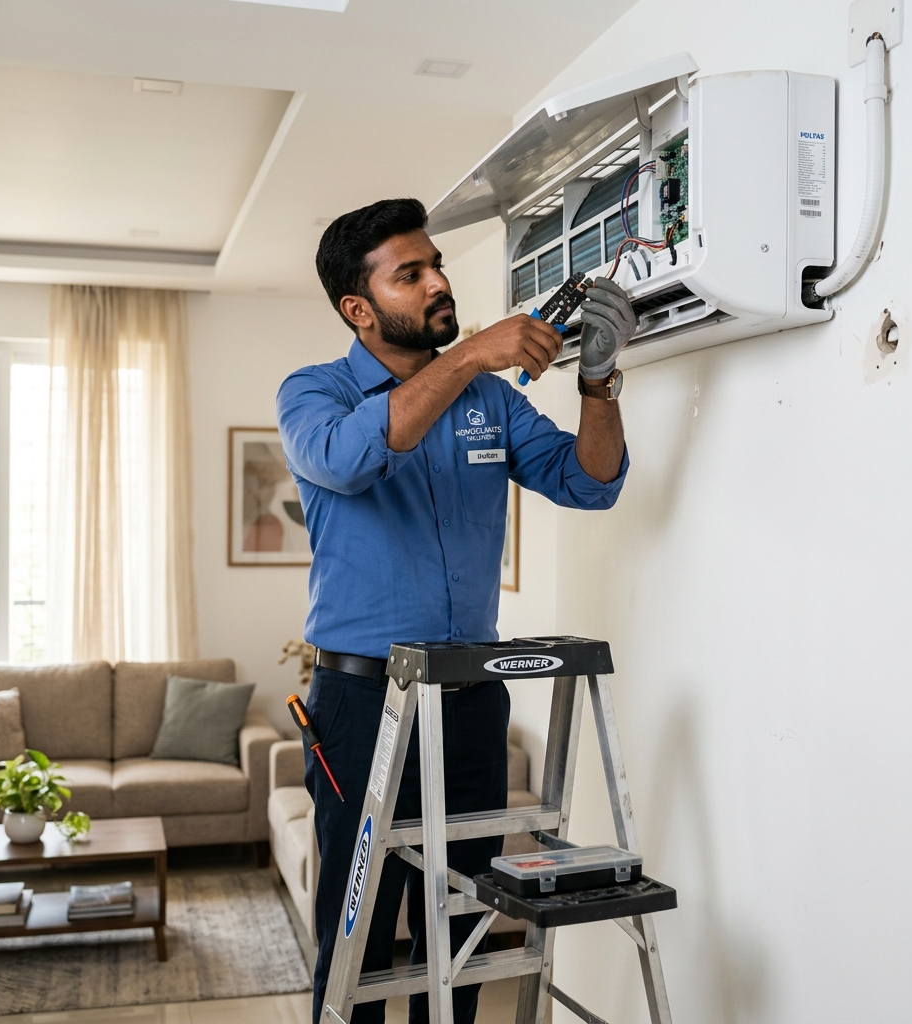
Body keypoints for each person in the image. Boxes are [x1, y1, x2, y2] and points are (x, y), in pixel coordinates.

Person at [276, 198, 635, 1023]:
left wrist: (598, 381)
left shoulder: (492, 404)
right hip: (363, 705)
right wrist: (474, 354)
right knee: (360, 930)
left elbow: (590, 481)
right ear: (358, 309)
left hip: (472, 701)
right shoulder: (313, 395)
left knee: (465, 919)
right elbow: (352, 458)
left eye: (437, 264)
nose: (440, 282)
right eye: (413, 274)